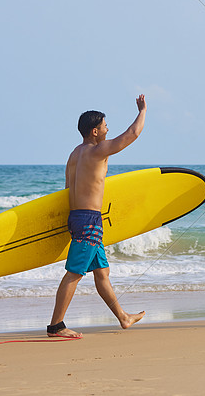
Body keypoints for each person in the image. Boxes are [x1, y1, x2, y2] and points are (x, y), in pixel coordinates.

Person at [47, 95, 148, 338]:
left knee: (101, 272)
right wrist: (143, 110)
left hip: (77, 217)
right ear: (95, 131)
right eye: (104, 126)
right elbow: (131, 134)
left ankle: (123, 317)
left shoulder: (74, 154)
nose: (107, 129)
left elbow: (67, 188)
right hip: (89, 221)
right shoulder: (98, 151)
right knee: (74, 272)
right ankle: (56, 326)